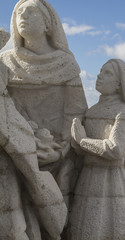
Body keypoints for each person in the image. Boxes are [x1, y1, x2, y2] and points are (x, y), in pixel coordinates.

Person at [0, 0, 88, 204]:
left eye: (31, 12)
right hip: (14, 150)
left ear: (48, 24)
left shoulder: (66, 64)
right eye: (19, 13)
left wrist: (61, 149)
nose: (23, 16)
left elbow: (76, 112)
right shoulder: (5, 62)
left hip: (57, 153)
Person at [0, 27, 67, 240]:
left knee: (13, 224)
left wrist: (29, 132)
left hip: (9, 164)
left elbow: (11, 119)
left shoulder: (4, 97)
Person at [69, 59, 125, 239]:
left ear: (120, 83)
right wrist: (76, 143)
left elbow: (116, 150)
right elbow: (84, 152)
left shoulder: (124, 111)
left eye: (107, 73)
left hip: (112, 180)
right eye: (100, 71)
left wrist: (82, 141)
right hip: (87, 177)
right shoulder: (92, 111)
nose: (99, 75)